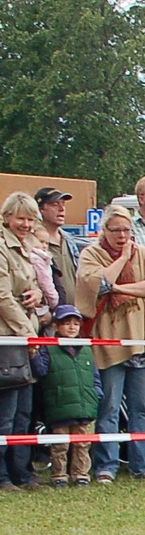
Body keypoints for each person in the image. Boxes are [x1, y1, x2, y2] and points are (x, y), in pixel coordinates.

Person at [76, 204, 145, 484]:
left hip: (143, 340)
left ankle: (143, 465)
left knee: (142, 407)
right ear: (104, 230)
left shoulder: (144, 254)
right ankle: (106, 466)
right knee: (110, 407)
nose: (123, 236)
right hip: (109, 340)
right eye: (116, 230)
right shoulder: (91, 254)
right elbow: (100, 284)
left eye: (127, 230)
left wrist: (119, 288)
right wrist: (123, 260)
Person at [31, 305, 100, 487]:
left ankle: (81, 474)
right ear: (56, 326)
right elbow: (41, 371)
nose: (72, 327)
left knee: (82, 443)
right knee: (60, 444)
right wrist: (34, 355)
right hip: (59, 404)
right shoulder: (48, 348)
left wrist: (96, 394)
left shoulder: (86, 348)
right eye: (66, 323)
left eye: (76, 324)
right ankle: (59, 475)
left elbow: (94, 376)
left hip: (84, 404)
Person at [0, 193, 41, 490]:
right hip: (9, 339)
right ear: (7, 218)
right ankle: (2, 475)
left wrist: (37, 294)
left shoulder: (27, 246)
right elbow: (3, 297)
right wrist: (28, 333)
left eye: (30, 219)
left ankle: (22, 473)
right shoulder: (2, 247)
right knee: (5, 414)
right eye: (21, 218)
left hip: (26, 339)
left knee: (24, 413)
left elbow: (32, 284)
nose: (26, 224)